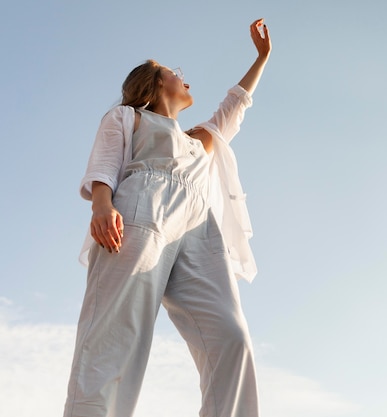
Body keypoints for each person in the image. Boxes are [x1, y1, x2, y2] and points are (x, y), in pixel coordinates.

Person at [63, 18, 271, 417]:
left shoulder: (200, 140)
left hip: (198, 230)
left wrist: (261, 58)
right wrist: (102, 206)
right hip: (142, 210)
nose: (184, 78)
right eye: (176, 72)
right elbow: (105, 165)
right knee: (114, 334)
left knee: (231, 337)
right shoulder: (128, 117)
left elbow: (236, 104)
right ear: (156, 82)